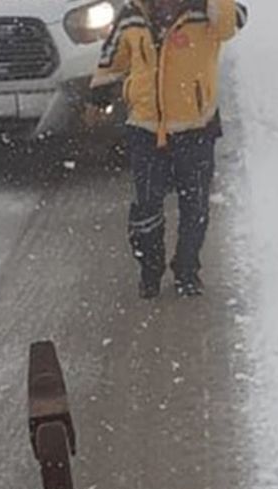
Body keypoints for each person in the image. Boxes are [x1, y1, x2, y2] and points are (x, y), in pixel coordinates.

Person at [91, 0, 248, 298]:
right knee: (145, 206)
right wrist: (99, 91)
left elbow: (232, 22)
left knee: (195, 206)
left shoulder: (207, 13)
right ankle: (150, 270)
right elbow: (112, 56)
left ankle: (187, 270)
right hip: (145, 129)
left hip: (196, 128)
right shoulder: (133, 15)